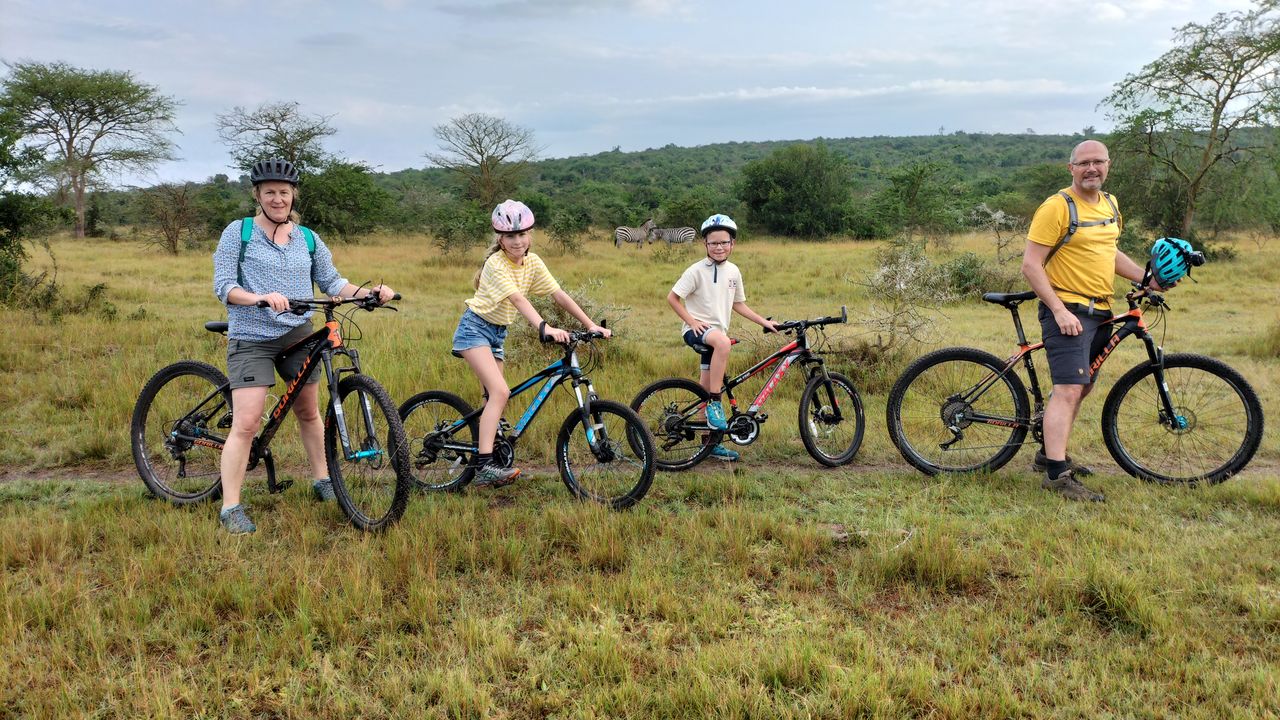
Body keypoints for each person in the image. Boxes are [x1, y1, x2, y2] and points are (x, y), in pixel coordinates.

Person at [211, 158, 396, 534]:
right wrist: (260, 297)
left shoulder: (308, 238)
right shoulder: (239, 233)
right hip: (252, 337)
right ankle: (231, 507)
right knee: (246, 422)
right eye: (269, 193)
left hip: (298, 334)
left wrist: (370, 294)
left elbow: (332, 282)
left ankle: (323, 480)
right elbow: (224, 286)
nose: (277, 199)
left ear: (293, 195)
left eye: (283, 192)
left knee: (309, 411)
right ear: (257, 195)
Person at [1021, 140, 1165, 502]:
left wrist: (1146, 280)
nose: (1091, 169)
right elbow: (1031, 265)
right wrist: (1058, 310)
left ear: (1108, 165)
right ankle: (1056, 476)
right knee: (1068, 389)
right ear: (1071, 168)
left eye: (1097, 162)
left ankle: (1048, 455)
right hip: (1067, 311)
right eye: (1083, 163)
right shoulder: (1057, 207)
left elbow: (1109, 252)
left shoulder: (1110, 205)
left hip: (1100, 310)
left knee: (1082, 387)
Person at [453, 199, 610, 487]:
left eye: (522, 234)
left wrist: (589, 324)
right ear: (500, 239)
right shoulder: (495, 264)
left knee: (495, 398)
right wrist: (545, 327)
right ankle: (484, 465)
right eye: (510, 236)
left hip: (497, 333)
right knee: (500, 392)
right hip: (474, 330)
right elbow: (518, 299)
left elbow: (558, 295)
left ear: (530, 235)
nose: (517, 241)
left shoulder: (533, 262)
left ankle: (492, 448)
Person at [666, 213, 779, 462]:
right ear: (705, 244)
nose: (719, 247)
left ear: (732, 244)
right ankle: (717, 403)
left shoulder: (733, 271)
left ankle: (709, 443)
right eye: (713, 243)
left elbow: (739, 304)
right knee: (723, 343)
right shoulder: (695, 270)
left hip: (716, 335)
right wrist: (692, 321)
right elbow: (672, 298)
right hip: (697, 332)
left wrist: (764, 322)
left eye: (724, 242)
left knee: (704, 389)